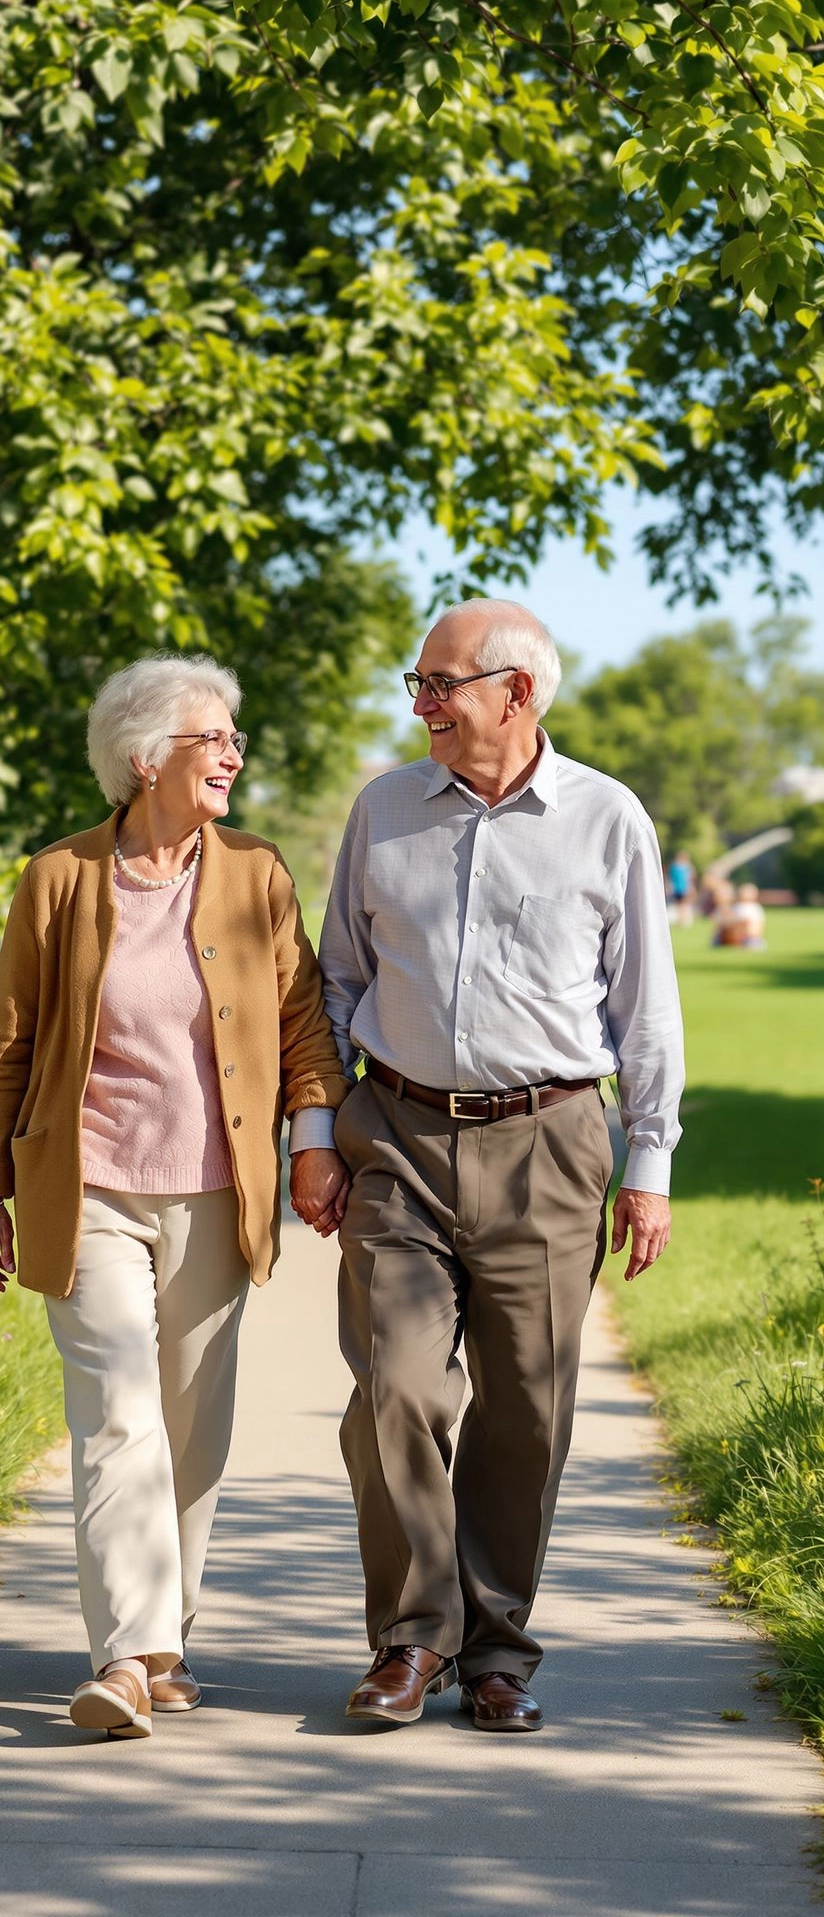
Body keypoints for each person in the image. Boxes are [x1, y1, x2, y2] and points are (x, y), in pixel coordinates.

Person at [310, 600, 684, 1733]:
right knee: (399, 1388)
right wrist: (317, 1136)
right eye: (416, 684)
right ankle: (412, 1641)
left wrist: (651, 1159)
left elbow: (645, 1007)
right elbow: (332, 987)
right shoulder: (382, 810)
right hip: (401, 1135)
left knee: (527, 1408)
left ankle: (496, 1652)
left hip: (551, 1143)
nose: (418, 705)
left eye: (438, 685)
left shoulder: (608, 820)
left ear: (516, 692)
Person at [0, 653, 349, 1740]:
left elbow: (304, 1026)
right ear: (145, 760)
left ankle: (169, 1633)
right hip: (84, 1188)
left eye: (234, 737)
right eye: (211, 738)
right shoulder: (60, 879)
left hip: (217, 1192)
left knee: (190, 1422)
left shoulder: (257, 875)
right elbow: (10, 1046)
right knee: (119, 1411)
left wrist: (315, 1143)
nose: (233, 753)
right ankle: (124, 1657)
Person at [666, 850, 697, 927]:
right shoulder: (674, 867)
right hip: (677, 889)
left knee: (684, 904)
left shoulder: (688, 867)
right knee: (679, 904)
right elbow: (670, 878)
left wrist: (691, 888)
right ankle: (680, 920)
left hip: (684, 889)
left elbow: (691, 879)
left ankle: (684, 920)